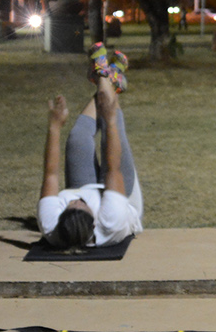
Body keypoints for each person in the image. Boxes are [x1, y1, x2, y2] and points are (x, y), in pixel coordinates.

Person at [37, 44, 144, 249]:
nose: (76, 201)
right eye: (81, 205)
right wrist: (111, 120)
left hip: (87, 186)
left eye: (70, 206)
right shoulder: (111, 220)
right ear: (95, 222)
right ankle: (106, 77)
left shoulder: (51, 224)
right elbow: (113, 168)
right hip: (123, 196)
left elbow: (50, 175)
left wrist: (54, 127)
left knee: (77, 138)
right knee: (111, 131)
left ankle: (106, 78)